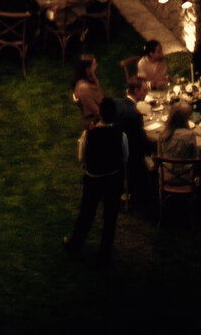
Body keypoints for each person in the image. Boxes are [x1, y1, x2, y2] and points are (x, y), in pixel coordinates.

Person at [63, 96, 126, 266]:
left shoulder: (89, 134)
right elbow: (124, 157)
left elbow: (81, 156)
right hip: (113, 178)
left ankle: (75, 244)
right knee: (110, 216)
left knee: (86, 212)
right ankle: (104, 254)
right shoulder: (120, 135)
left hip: (93, 179)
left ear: (100, 114)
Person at [72, 53, 105, 128]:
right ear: (87, 69)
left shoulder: (91, 78)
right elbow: (96, 112)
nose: (96, 65)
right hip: (96, 124)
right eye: (94, 64)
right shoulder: (83, 89)